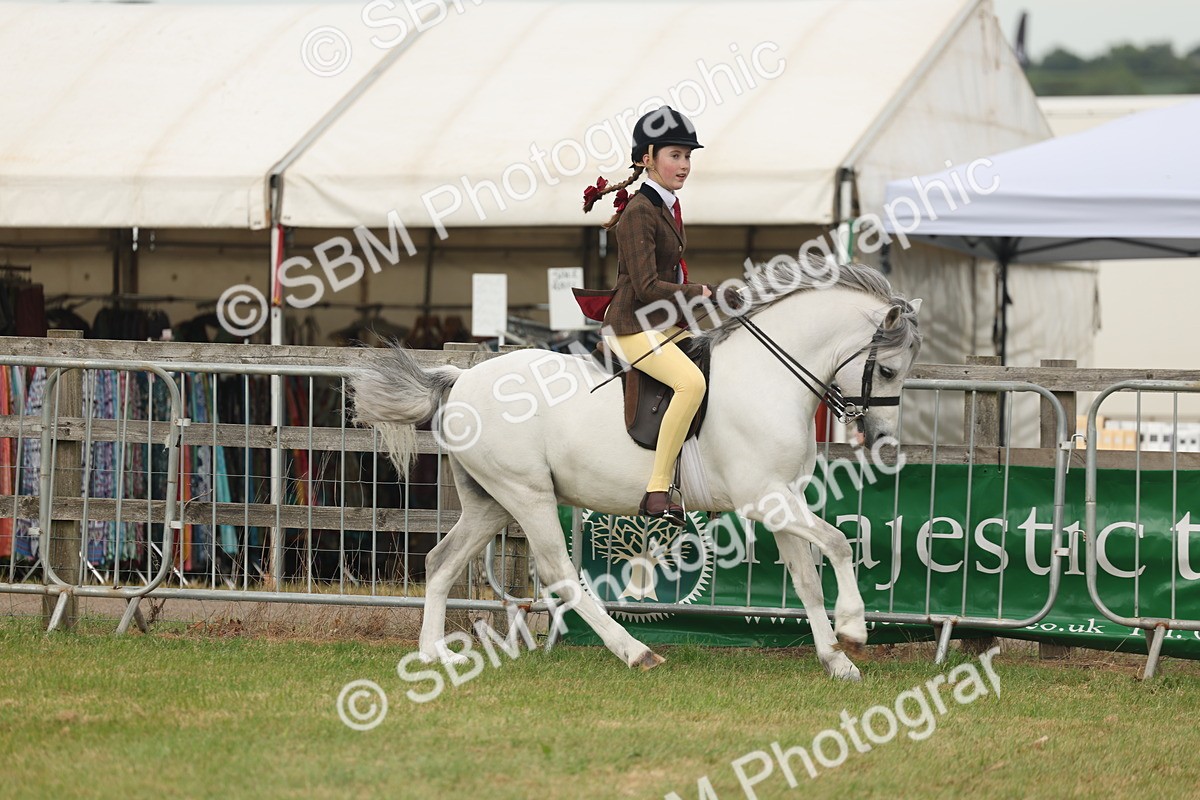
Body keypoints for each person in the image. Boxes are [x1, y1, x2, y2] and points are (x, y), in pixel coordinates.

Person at [576, 106, 736, 526]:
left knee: (717, 365)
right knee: (690, 383)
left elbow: (670, 279)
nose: (684, 165)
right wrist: (702, 292)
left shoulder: (666, 205)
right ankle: (658, 490)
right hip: (631, 326)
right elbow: (647, 286)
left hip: (661, 324)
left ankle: (705, 474)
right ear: (647, 158)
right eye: (675, 156)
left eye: (688, 156)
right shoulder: (639, 212)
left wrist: (714, 294)